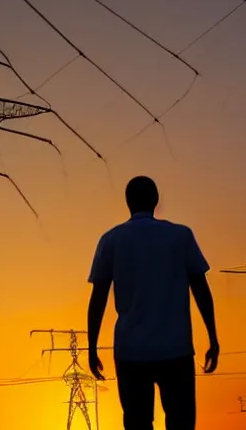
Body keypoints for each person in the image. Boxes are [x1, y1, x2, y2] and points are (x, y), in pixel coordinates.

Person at [87, 175, 219, 430]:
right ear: (156, 200)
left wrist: (92, 348)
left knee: (137, 423)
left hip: (131, 351)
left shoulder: (112, 240)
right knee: (181, 423)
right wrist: (213, 337)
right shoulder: (180, 236)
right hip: (176, 349)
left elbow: (98, 298)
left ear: (127, 202)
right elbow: (201, 289)